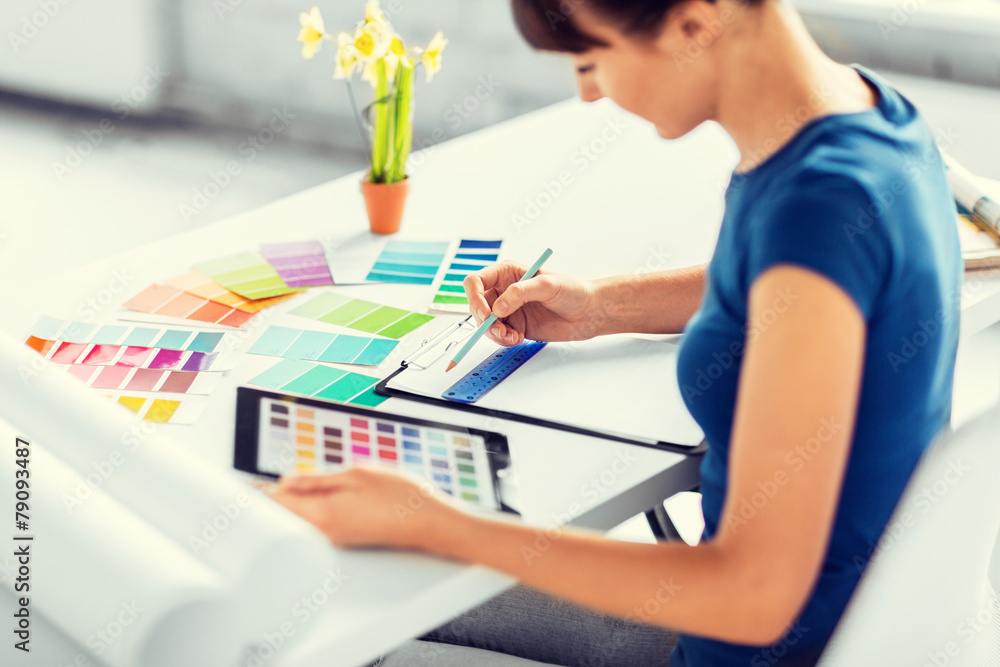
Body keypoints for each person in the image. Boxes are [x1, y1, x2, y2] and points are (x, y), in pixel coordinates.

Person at [271, 0, 963, 664]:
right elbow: (783, 290)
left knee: (340, 634)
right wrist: (596, 304)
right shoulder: (863, 117)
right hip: (828, 628)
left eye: (591, 59)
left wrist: (436, 522)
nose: (589, 95)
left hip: (748, 632)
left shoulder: (815, 209)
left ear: (692, 23)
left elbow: (754, 597)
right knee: (381, 587)